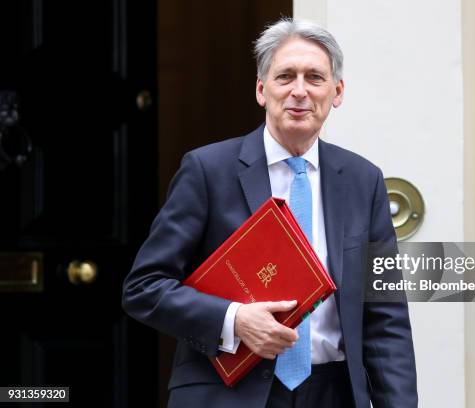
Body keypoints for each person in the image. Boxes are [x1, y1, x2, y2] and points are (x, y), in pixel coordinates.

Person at [122, 18, 417, 408]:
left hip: (334, 393)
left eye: (314, 77)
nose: (300, 91)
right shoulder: (208, 171)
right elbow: (144, 287)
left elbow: (385, 318)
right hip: (229, 394)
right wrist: (233, 319)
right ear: (262, 90)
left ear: (337, 91)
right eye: (285, 77)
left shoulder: (363, 180)